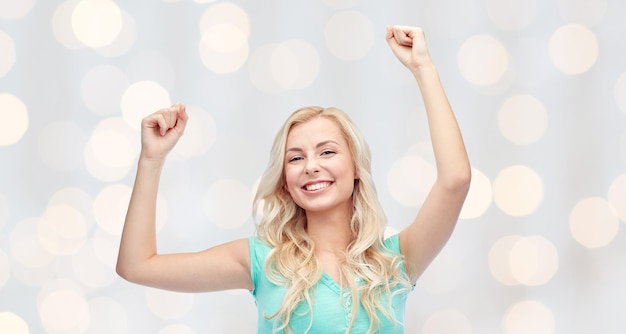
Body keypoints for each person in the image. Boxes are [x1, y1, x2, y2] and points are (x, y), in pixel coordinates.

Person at [117, 25, 471, 333]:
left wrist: (423, 68)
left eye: (327, 152)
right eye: (296, 158)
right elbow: (137, 266)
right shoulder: (262, 261)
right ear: (285, 181)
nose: (311, 166)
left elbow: (455, 180)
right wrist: (151, 159)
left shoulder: (396, 260)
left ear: (357, 167)